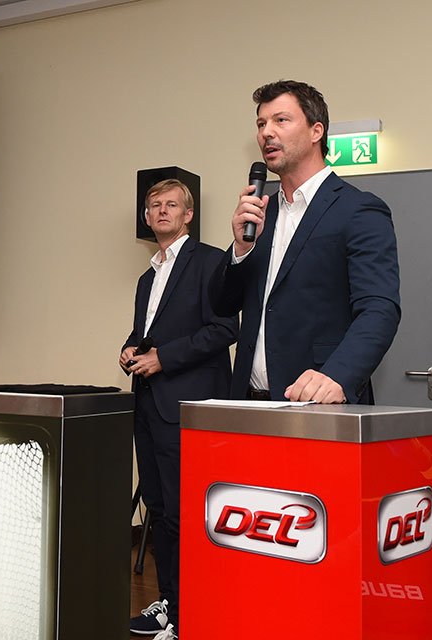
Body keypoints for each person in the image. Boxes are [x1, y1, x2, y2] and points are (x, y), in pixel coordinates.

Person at [209, 80, 401, 404]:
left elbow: (379, 309)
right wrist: (240, 251)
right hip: (248, 404)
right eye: (261, 123)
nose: (267, 132)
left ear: (316, 131)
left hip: (321, 407)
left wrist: (339, 375)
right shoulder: (260, 214)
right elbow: (221, 305)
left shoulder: (358, 210)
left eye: (280, 120)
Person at [121, 180, 238, 638]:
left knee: (188, 515)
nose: (163, 211)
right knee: (160, 510)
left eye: (172, 205)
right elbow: (145, 335)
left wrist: (162, 358)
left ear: (189, 214)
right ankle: (170, 604)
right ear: (147, 218)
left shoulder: (211, 262)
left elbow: (224, 329)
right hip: (148, 405)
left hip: (190, 407)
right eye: (155, 206)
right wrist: (131, 350)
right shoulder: (147, 276)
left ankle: (194, 615)